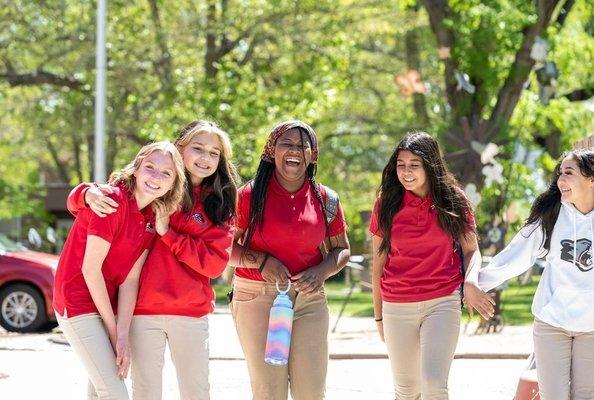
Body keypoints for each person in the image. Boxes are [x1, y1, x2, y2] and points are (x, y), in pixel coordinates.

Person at [67, 120, 239, 400]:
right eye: (198, 148)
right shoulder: (154, 183)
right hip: (141, 310)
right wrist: (84, 193)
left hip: (190, 312)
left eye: (214, 153)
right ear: (179, 148)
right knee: (145, 392)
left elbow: (215, 264)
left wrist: (169, 235)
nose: (205, 158)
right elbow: (109, 196)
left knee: (197, 393)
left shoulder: (220, 203)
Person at [227, 120, 350, 400]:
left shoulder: (326, 199)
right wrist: (261, 261)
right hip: (258, 298)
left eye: (301, 145)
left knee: (311, 391)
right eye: (286, 144)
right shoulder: (248, 195)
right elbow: (225, 248)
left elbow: (342, 250)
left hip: (309, 300)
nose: (294, 150)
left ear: (312, 154)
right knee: (269, 391)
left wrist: (320, 272)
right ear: (272, 150)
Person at [53, 141, 186, 400]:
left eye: (166, 173)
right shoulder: (111, 201)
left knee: (100, 390)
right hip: (77, 301)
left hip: (106, 304)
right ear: (136, 168)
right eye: (149, 167)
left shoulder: (151, 217)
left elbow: (130, 279)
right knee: (113, 392)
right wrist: (116, 334)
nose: (156, 177)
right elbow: (90, 271)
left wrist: (123, 334)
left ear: (173, 184)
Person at [369, 131, 493, 400]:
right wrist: (379, 316)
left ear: (430, 165)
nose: (406, 172)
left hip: (442, 301)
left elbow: (472, 250)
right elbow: (377, 266)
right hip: (396, 306)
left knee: (434, 385)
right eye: (400, 165)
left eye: (414, 165)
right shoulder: (386, 204)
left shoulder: (454, 200)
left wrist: (470, 282)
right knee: (407, 390)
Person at [465, 149, 594, 400]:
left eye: (569, 173)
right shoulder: (552, 215)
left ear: (592, 179)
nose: (560, 180)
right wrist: (472, 284)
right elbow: (514, 258)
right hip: (551, 324)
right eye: (559, 173)